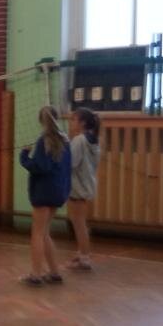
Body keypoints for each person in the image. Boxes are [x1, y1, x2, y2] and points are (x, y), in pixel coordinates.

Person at [19, 106, 72, 287]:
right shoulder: (65, 141)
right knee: (45, 232)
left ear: (41, 121)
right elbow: (66, 168)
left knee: (37, 233)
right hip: (58, 191)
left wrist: (24, 156)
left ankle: (35, 275)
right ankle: (55, 272)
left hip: (44, 191)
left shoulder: (44, 140)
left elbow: (41, 167)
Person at [66, 107, 101, 271]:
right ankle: (81, 252)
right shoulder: (93, 139)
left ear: (83, 123)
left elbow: (71, 163)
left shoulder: (79, 140)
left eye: (74, 120)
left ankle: (85, 257)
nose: (71, 123)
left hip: (78, 186)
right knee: (79, 222)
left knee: (79, 223)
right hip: (86, 184)